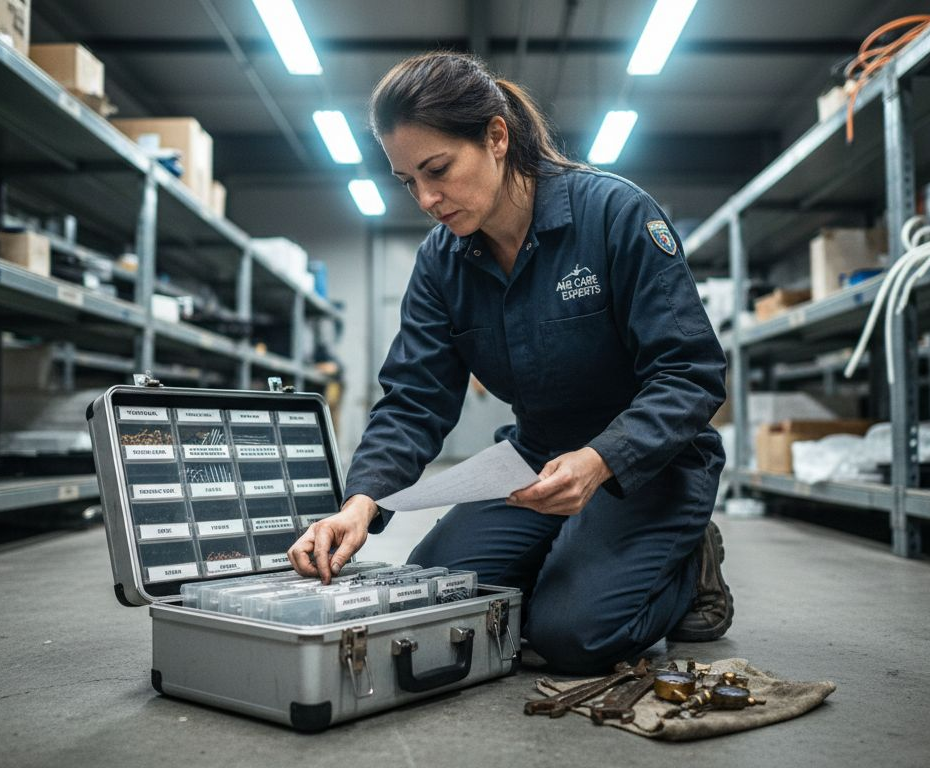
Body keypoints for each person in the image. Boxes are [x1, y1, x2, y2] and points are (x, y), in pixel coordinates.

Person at [287, 52, 731, 674]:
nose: (427, 198)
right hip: (532, 461)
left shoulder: (614, 215)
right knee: (437, 595)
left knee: (571, 635)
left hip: (647, 463)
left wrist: (601, 460)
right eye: (408, 180)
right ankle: (573, 558)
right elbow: (415, 397)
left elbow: (692, 372)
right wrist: (359, 503)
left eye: (437, 169)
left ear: (496, 136)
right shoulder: (442, 262)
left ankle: (689, 564)